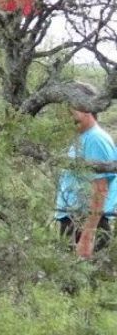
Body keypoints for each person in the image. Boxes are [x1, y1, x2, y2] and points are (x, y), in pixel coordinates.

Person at [55, 83, 117, 260]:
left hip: (85, 224)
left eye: (74, 107)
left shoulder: (96, 139)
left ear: (88, 107)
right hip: (73, 221)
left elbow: (100, 189)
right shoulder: (81, 137)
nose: (68, 114)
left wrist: (87, 236)